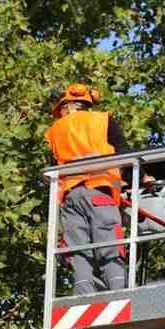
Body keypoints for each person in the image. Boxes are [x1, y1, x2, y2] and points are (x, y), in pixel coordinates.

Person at [44, 84, 149, 295]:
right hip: (99, 191)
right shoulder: (102, 120)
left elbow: (54, 165)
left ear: (68, 106)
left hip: (71, 197)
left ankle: (83, 294)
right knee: (110, 243)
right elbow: (124, 153)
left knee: (78, 250)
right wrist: (139, 178)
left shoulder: (54, 131)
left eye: (61, 110)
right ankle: (119, 292)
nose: (61, 115)